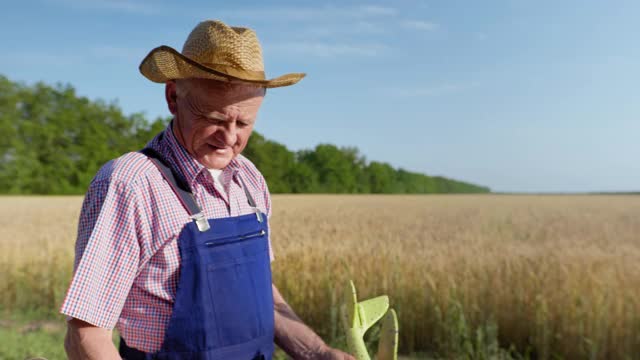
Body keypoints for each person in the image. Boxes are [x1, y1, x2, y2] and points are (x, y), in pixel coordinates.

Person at [61, 20, 355, 360]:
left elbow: (261, 297)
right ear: (173, 96)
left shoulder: (249, 179)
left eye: (243, 123)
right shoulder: (132, 183)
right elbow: (86, 334)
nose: (229, 138)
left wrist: (318, 353)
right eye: (214, 118)